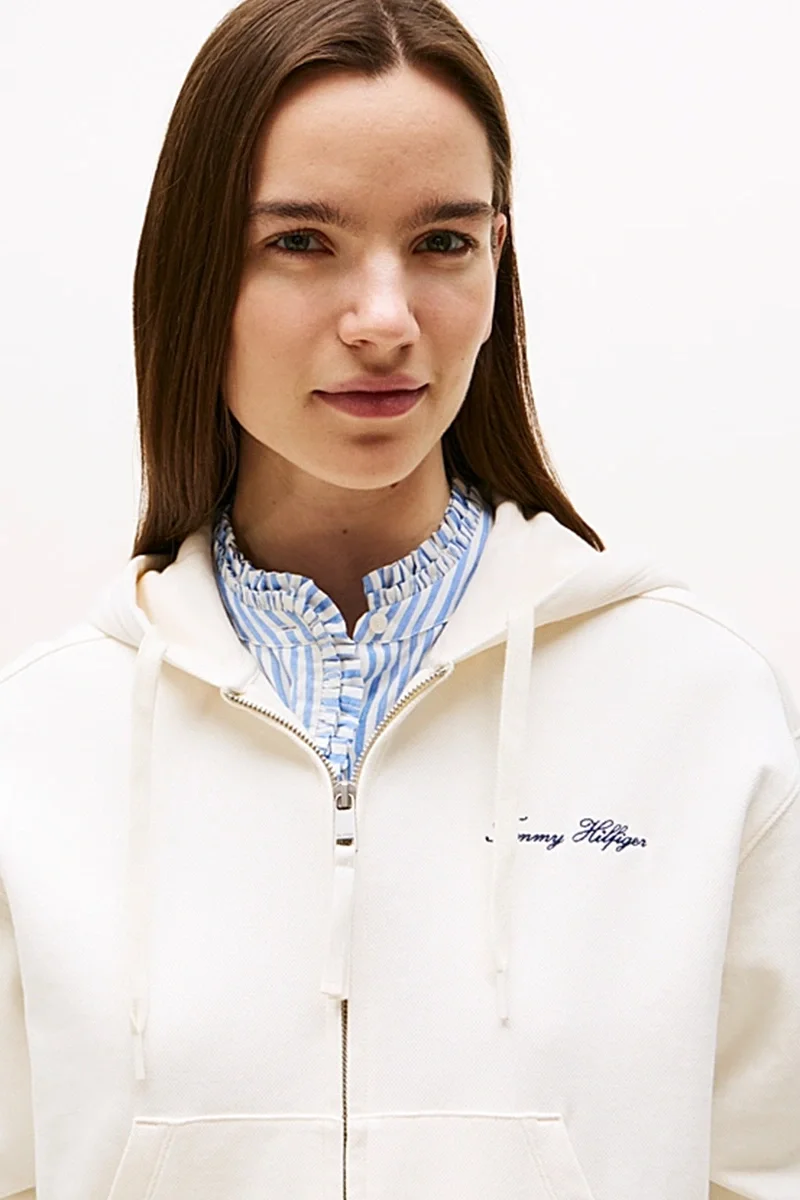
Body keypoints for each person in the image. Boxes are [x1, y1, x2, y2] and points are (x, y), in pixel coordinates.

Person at [1, 0, 798, 1196]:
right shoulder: (36, 746)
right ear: (194, 268)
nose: (383, 319)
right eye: (300, 241)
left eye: (440, 241)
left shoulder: (696, 708)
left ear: (496, 258)